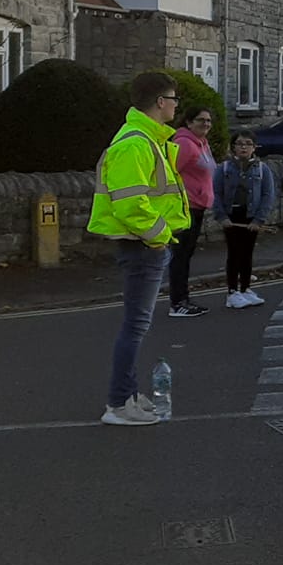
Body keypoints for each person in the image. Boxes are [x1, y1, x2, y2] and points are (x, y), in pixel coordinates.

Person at [88, 72, 189, 426]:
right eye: (174, 99)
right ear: (160, 102)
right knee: (135, 326)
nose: (177, 105)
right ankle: (118, 405)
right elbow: (129, 204)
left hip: (146, 246)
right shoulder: (135, 143)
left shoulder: (148, 138)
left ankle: (128, 395)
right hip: (143, 247)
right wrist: (160, 236)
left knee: (137, 325)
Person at [212, 133, 276, 308]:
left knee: (247, 254)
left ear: (254, 148)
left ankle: (246, 288)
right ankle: (232, 292)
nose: (244, 147)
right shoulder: (223, 168)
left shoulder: (263, 169)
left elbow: (268, 195)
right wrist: (221, 216)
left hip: (251, 217)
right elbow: (215, 193)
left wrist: (259, 219)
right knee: (234, 254)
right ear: (233, 147)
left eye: (248, 144)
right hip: (231, 217)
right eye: (240, 144)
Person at [165, 102, 216, 317]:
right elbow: (169, 172)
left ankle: (184, 299)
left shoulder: (201, 143)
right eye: (200, 120)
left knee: (186, 254)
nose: (205, 124)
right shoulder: (185, 144)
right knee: (180, 255)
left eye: (208, 121)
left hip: (197, 205)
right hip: (185, 206)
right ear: (188, 122)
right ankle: (177, 302)